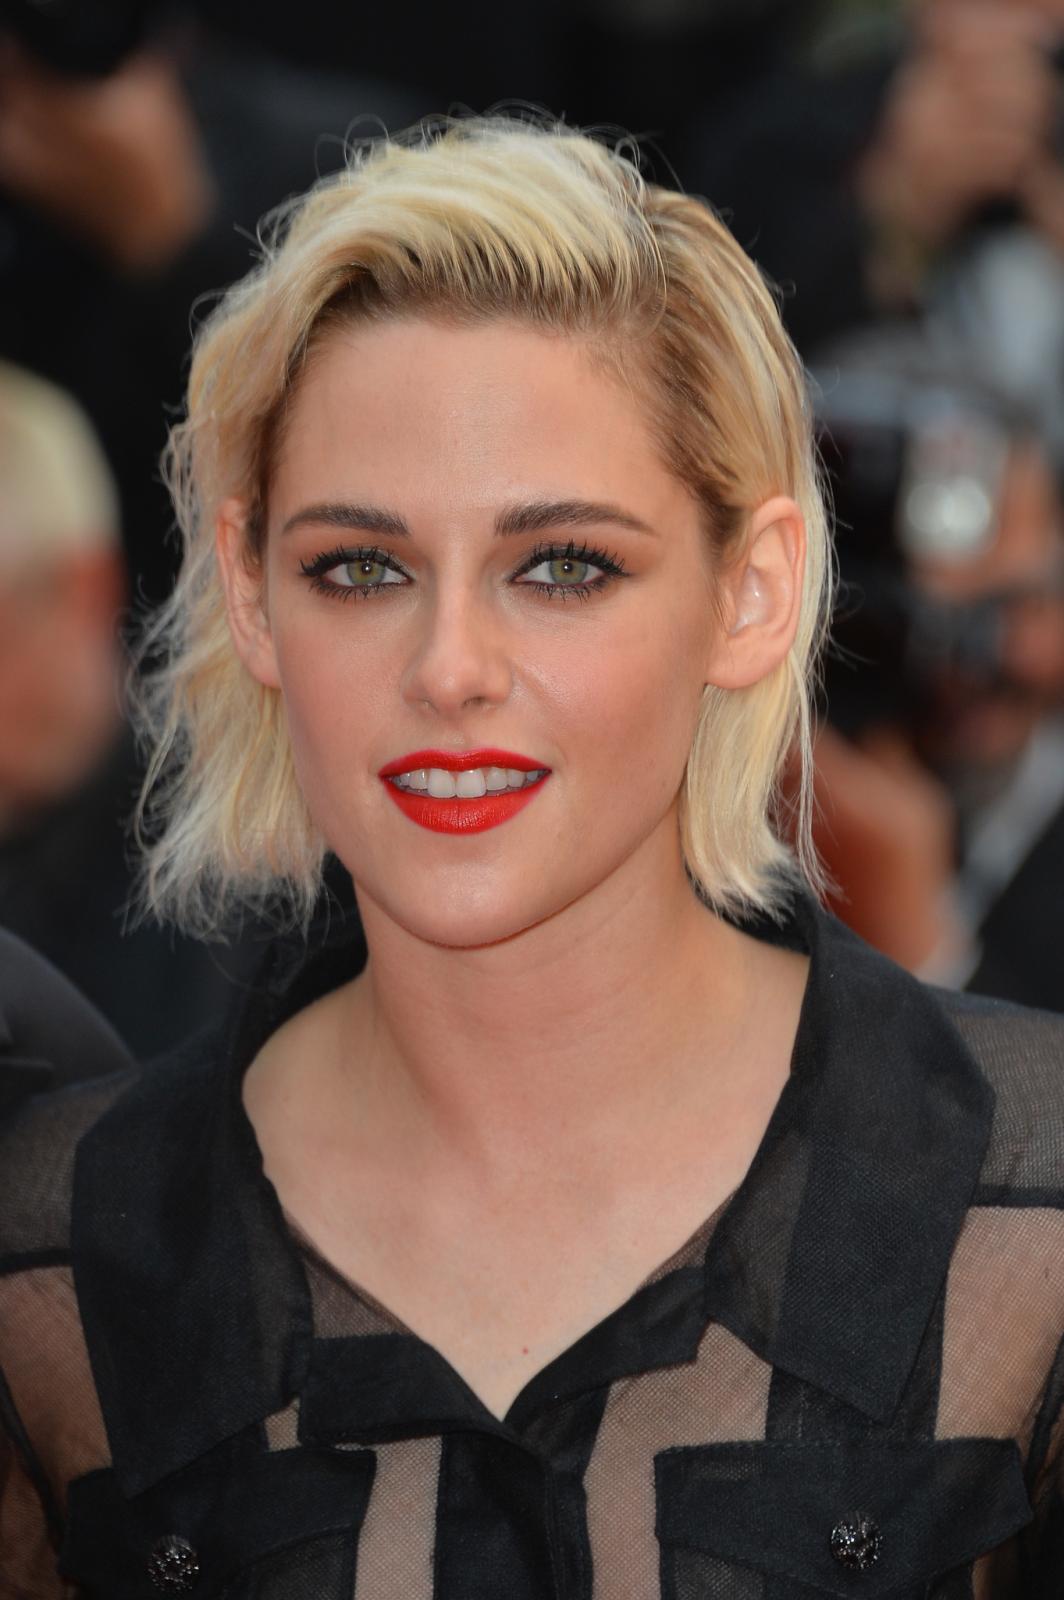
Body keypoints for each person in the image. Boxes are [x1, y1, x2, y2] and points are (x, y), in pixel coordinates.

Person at [0, 116, 1062, 1597]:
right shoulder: (54, 1261)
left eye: (564, 567)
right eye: (359, 568)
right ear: (249, 594)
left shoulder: (1032, 1219)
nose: (450, 668)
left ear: (751, 594)